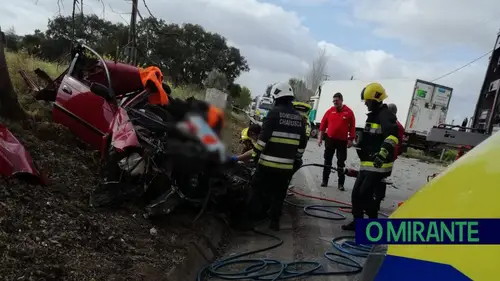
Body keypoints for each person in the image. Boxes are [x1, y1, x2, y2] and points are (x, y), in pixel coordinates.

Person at [245, 82, 307, 231]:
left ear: (277, 98)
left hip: (267, 165)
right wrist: (296, 158)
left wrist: (255, 156)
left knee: (256, 189)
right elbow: (302, 143)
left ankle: (248, 220)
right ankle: (274, 222)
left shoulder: (273, 114)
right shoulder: (299, 118)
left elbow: (262, 139)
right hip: (286, 167)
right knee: (279, 193)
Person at [342, 82, 399, 231]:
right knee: (356, 193)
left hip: (380, 165)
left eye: (367, 101)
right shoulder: (373, 116)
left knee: (364, 194)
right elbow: (372, 138)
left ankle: (374, 224)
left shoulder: (386, 116)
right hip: (368, 164)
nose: (366, 104)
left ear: (375, 100)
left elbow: (392, 137)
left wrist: (382, 154)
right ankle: (357, 221)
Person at [317, 92, 356, 191]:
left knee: (341, 163)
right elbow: (322, 125)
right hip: (330, 140)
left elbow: (352, 127)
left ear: (341, 100)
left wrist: (351, 139)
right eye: (333, 101)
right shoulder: (330, 111)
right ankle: (324, 181)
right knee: (327, 161)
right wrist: (320, 138)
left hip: (342, 141)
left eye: (337, 101)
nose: (335, 102)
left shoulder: (349, 112)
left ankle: (340, 184)